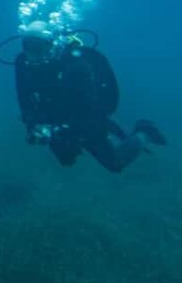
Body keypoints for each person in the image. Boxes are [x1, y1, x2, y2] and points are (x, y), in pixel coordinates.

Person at [15, 20, 166, 172]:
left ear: (52, 44)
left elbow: (89, 104)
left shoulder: (76, 64)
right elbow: (24, 98)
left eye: (39, 47)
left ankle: (144, 131)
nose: (34, 53)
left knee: (115, 163)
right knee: (67, 160)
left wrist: (64, 129)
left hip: (87, 114)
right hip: (55, 113)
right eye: (28, 46)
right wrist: (33, 125)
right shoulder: (23, 63)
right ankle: (110, 129)